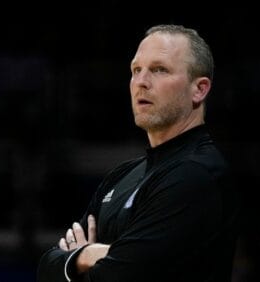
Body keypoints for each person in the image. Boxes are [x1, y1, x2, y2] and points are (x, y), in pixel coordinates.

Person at [37, 24, 241, 282]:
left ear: (199, 89)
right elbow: (46, 269)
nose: (141, 82)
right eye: (136, 70)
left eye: (159, 70)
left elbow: (122, 276)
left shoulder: (198, 174)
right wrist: (88, 256)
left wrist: (80, 259)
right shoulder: (122, 176)